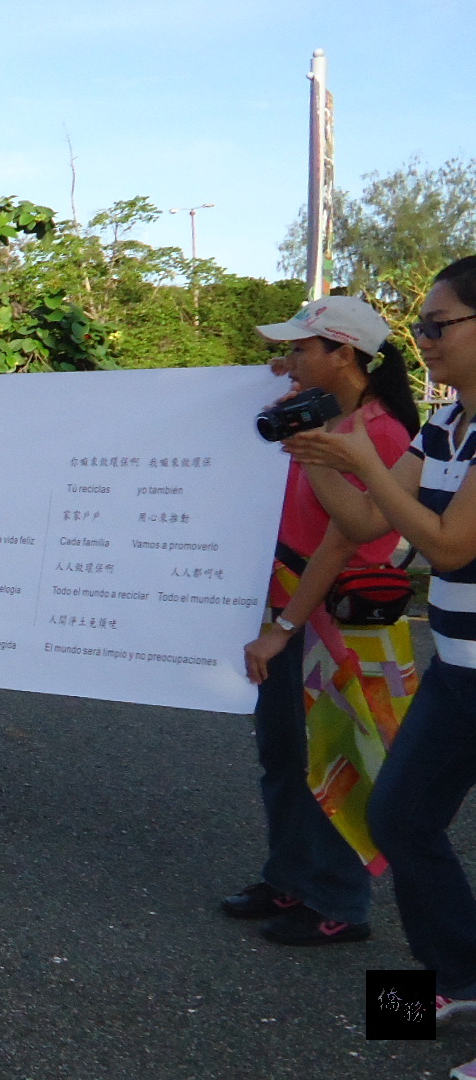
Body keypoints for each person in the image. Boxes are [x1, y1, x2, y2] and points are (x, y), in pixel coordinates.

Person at [285, 258, 476, 1026]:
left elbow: (449, 547)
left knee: (404, 813)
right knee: (398, 815)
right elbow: (367, 525)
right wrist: (317, 458)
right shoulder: (447, 422)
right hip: (457, 667)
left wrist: (362, 457)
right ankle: (458, 980)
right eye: (419, 327)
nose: (422, 340)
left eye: (438, 325)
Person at [222, 295, 420, 946]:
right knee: (282, 753)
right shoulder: (313, 414)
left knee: (338, 757)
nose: (290, 359)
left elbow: (344, 542)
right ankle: (289, 876)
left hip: (337, 612)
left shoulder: (381, 434)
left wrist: (282, 626)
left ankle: (339, 901)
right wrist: (285, 374)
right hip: (289, 597)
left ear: (344, 355)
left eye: (304, 348)